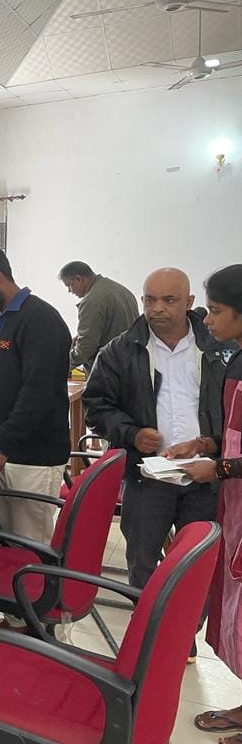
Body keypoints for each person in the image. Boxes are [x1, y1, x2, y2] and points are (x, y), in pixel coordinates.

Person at [84, 268, 228, 591]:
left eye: (169, 300)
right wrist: (132, 433)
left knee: (199, 565)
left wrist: (212, 446)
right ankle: (147, 621)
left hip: (205, 476)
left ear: (189, 301)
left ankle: (187, 623)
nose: (157, 308)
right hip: (146, 477)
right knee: (142, 564)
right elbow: (96, 406)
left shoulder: (218, 348)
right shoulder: (120, 351)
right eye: (150, 300)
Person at [0, 241, 71, 545]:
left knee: (30, 544)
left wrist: (2, 444)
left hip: (33, 457)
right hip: (6, 452)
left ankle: (39, 581)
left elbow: (38, 394)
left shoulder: (40, 319)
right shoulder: (2, 321)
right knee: (9, 542)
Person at [177, 265, 242, 740]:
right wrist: (207, 445)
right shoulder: (234, 359)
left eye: (216, 311)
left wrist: (217, 470)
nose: (208, 320)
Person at [58, 261, 138, 372]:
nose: (69, 291)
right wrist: (80, 337)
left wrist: (63, 366)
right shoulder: (123, 291)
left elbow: (86, 347)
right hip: (131, 365)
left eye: (69, 286)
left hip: (108, 371)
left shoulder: (92, 300)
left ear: (78, 279)